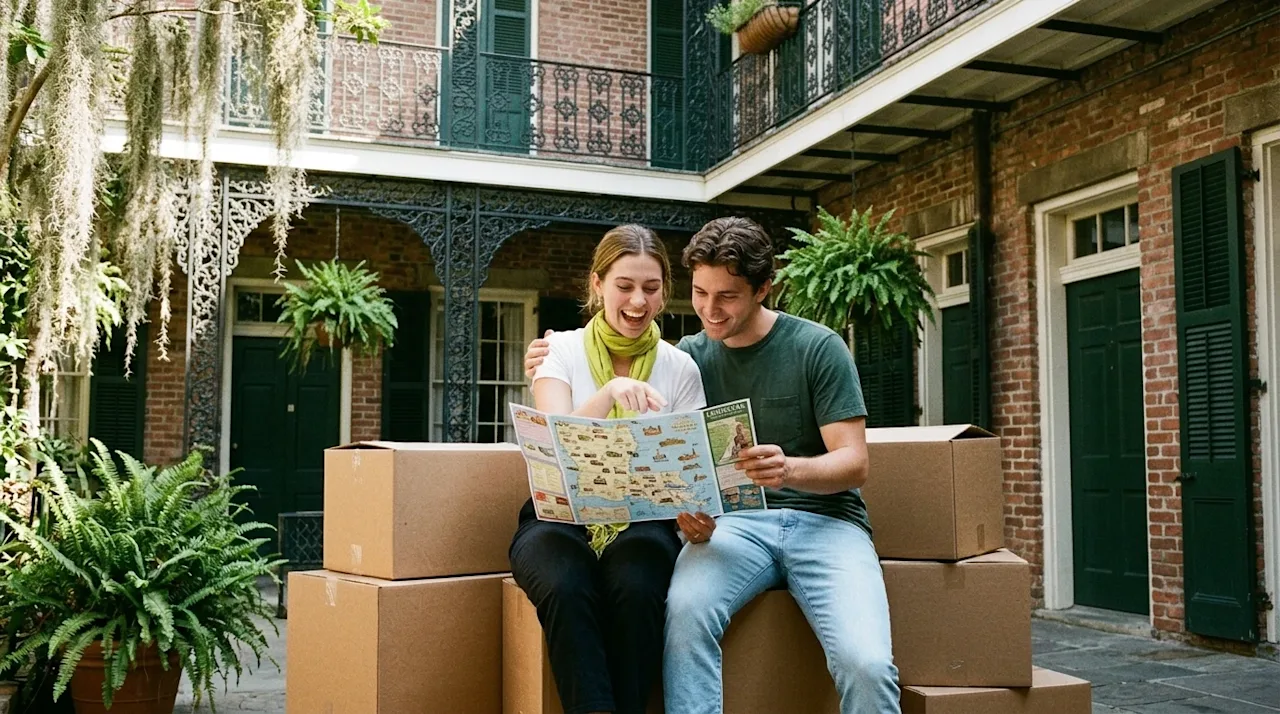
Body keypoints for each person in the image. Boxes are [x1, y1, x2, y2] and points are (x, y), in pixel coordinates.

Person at [525, 217, 899, 714]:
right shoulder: (693, 354)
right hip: (737, 526)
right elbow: (680, 461)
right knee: (682, 616)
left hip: (827, 524)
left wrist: (790, 470)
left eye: (727, 296)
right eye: (700, 293)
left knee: (867, 663)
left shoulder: (817, 347)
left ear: (764, 288)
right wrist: (693, 518)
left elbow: (855, 464)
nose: (709, 309)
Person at [510, 224, 707, 714]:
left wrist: (701, 517)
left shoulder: (679, 367)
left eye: (651, 287)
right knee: (563, 584)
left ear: (665, 293)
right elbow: (553, 442)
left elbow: (693, 469)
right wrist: (609, 393)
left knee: (637, 586)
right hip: (558, 515)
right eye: (624, 286)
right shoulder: (560, 350)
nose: (638, 301)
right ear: (597, 285)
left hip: (644, 520)